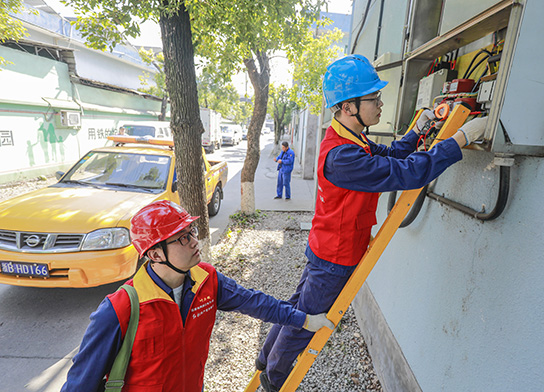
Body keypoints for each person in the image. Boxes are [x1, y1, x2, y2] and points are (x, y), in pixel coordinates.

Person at [257, 54, 487, 391]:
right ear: (349, 106)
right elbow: (407, 173)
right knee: (307, 319)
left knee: (297, 306)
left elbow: (392, 156)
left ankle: (266, 359)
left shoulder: (349, 140)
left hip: (325, 247)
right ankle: (275, 378)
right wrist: (458, 142)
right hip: (335, 257)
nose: (381, 104)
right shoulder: (344, 156)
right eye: (374, 99)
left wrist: (419, 129)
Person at [61, 200, 334, 392]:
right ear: (155, 254)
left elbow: (255, 302)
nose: (194, 240)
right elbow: (80, 383)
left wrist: (305, 320)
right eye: (181, 238)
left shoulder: (207, 280)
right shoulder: (120, 309)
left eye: (190, 231)